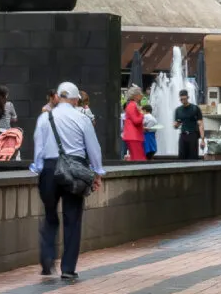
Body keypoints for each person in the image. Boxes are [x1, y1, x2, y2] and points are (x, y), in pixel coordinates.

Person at [31, 81, 104, 281]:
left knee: (50, 215)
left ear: (58, 97)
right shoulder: (81, 118)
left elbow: (38, 144)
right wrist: (97, 173)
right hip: (75, 170)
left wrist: (39, 167)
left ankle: (47, 260)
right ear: (74, 99)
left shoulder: (45, 117)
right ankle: (68, 268)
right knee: (72, 218)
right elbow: (93, 147)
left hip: (49, 168)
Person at [174, 88, 204, 160]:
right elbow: (176, 124)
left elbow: (201, 124)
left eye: (184, 99)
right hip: (183, 135)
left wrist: (202, 140)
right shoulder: (178, 110)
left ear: (188, 97)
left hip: (193, 134)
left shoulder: (195, 108)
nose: (183, 101)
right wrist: (176, 125)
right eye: (181, 99)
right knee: (181, 156)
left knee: (193, 156)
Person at [122, 86, 145, 161]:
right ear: (135, 95)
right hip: (134, 136)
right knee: (139, 159)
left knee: (136, 158)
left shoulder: (132, 105)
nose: (142, 95)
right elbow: (136, 121)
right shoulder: (132, 105)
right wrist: (142, 114)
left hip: (133, 136)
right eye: (140, 93)